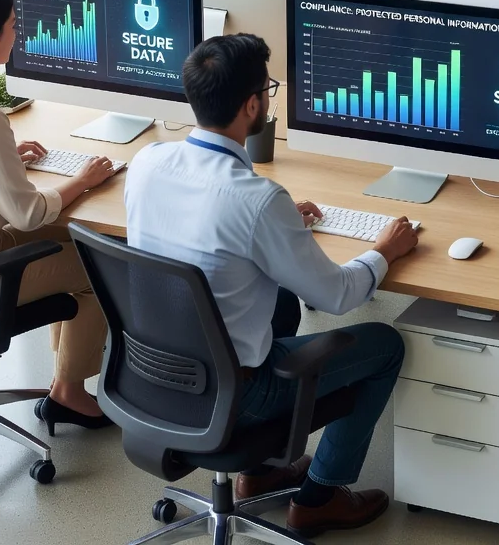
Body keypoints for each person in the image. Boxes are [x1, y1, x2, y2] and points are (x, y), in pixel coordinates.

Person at [125, 33, 419, 535]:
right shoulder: (257, 200)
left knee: (280, 302)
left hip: (150, 374)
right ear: (252, 105)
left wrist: (279, 229)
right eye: (268, 89)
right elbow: (338, 296)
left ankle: (257, 476)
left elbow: (206, 236)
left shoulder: (148, 162)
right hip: (235, 394)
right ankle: (319, 496)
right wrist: (385, 249)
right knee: (384, 344)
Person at [0, 0, 119, 433]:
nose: (18, 32)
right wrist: (81, 181)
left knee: (82, 237)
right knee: (100, 265)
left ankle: (64, 373)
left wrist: (3, 159)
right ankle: (68, 392)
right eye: (11, 26)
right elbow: (25, 214)